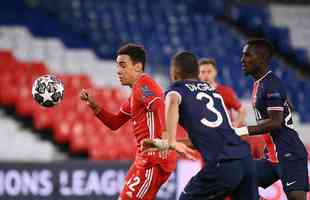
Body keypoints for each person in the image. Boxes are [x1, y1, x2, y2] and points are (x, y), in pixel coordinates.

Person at [142, 52, 259, 200]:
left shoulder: (177, 91)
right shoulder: (214, 93)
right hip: (245, 160)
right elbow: (202, 138)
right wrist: (165, 144)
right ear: (197, 73)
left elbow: (171, 100)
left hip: (223, 164)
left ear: (174, 73)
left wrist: (170, 139)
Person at [80, 44, 176, 200]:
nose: (118, 71)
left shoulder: (143, 85)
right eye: (117, 66)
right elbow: (115, 122)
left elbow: (158, 102)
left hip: (154, 159)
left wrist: (165, 136)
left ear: (137, 67)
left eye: (123, 65)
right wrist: (94, 105)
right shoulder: (134, 95)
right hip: (144, 160)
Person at [235, 39, 309, 200]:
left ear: (261, 59)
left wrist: (239, 130)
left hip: (290, 154)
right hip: (272, 157)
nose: (242, 60)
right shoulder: (260, 83)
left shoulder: (271, 84)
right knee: (237, 178)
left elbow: (275, 122)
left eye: (247, 55)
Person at [198, 58, 246, 128]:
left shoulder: (225, 91)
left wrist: (235, 125)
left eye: (209, 72)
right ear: (198, 74)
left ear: (215, 72)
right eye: (203, 72)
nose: (206, 75)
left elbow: (242, 111)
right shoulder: (194, 93)